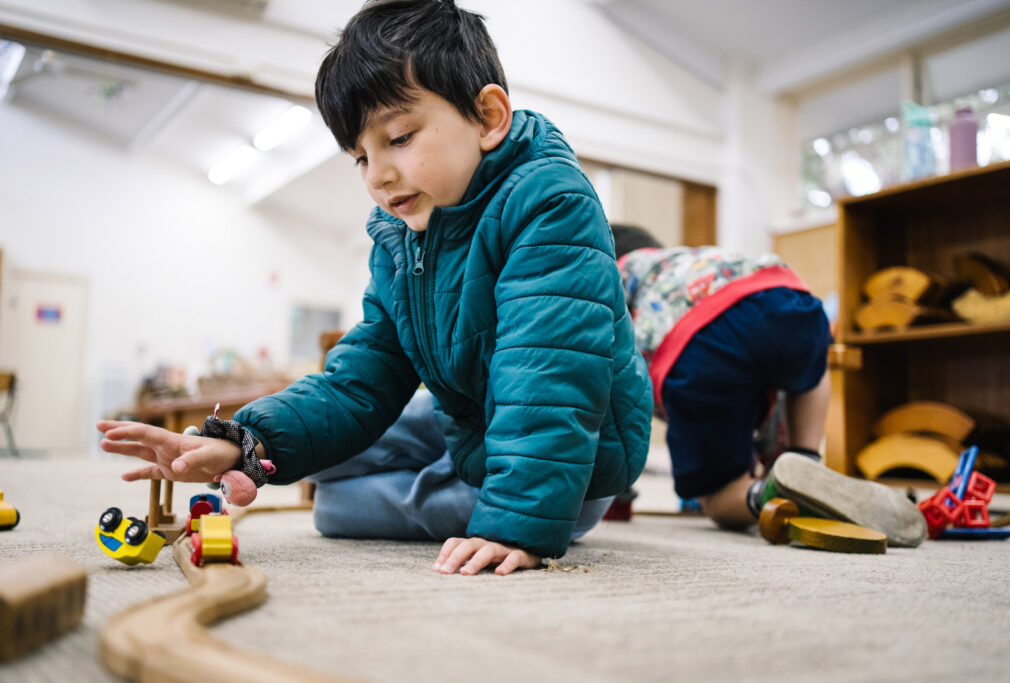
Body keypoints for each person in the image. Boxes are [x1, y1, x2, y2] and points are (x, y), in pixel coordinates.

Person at [97, 0, 653, 576]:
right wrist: (244, 443)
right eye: (360, 156)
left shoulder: (549, 202)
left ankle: (494, 492)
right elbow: (361, 380)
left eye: (401, 137)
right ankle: (416, 470)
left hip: (570, 469)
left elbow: (549, 376)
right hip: (471, 425)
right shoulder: (400, 235)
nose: (378, 175)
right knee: (318, 469)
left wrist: (514, 522)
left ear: (488, 118)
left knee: (339, 508)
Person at [611, 224, 926, 547]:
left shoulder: (612, 274)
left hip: (701, 343)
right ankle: (805, 457)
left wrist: (614, 491)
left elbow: (615, 392)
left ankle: (774, 493)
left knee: (719, 499)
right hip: (787, 296)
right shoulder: (688, 260)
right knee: (811, 365)